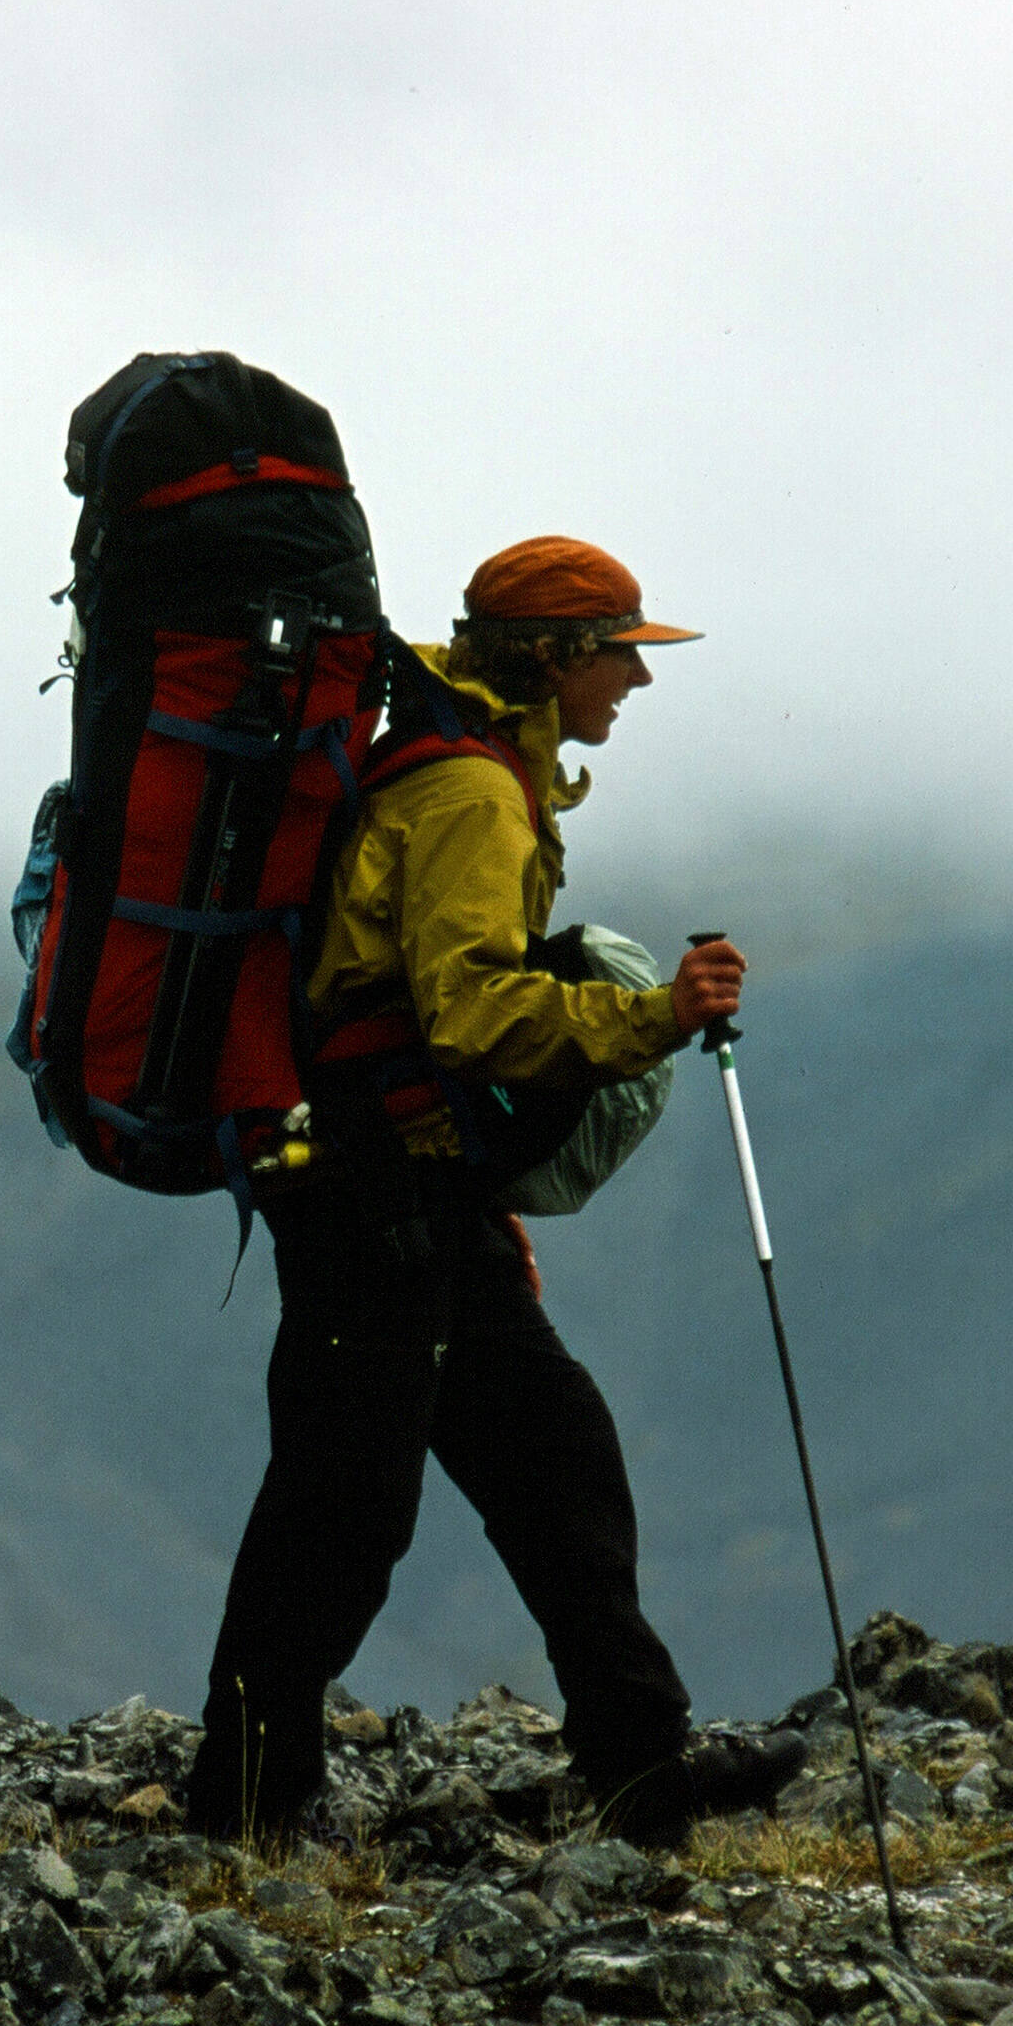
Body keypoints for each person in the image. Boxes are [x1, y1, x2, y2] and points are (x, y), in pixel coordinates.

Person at [181, 535, 807, 1848]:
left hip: (408, 1181)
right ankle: (240, 1808)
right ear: (559, 656)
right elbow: (470, 1015)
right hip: (370, 1190)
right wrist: (656, 1016)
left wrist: (477, 1186)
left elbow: (418, 1010)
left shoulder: (457, 752)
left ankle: (641, 1769)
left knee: (553, 1456)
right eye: (622, 653)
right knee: (343, 1505)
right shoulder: (469, 791)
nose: (634, 680)